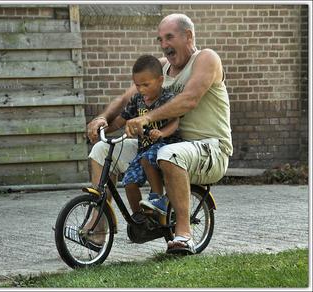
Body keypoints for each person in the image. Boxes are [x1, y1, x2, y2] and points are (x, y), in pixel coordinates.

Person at [87, 13, 233, 254]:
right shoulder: (159, 69)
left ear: (188, 36)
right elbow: (126, 100)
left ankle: (184, 235)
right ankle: (99, 227)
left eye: (169, 37)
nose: (164, 45)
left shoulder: (206, 59)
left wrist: (147, 118)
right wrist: (102, 120)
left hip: (210, 149)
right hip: (164, 145)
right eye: (160, 39)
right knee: (102, 150)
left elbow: (189, 99)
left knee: (168, 153)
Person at [104, 54, 181, 217]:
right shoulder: (138, 99)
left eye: (146, 85)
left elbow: (176, 122)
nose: (141, 89)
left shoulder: (168, 98)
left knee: (147, 159)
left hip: (165, 145)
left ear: (160, 80)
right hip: (144, 148)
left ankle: (159, 198)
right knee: (129, 182)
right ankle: (140, 219)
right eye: (138, 85)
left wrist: (161, 132)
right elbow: (121, 120)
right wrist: (103, 130)